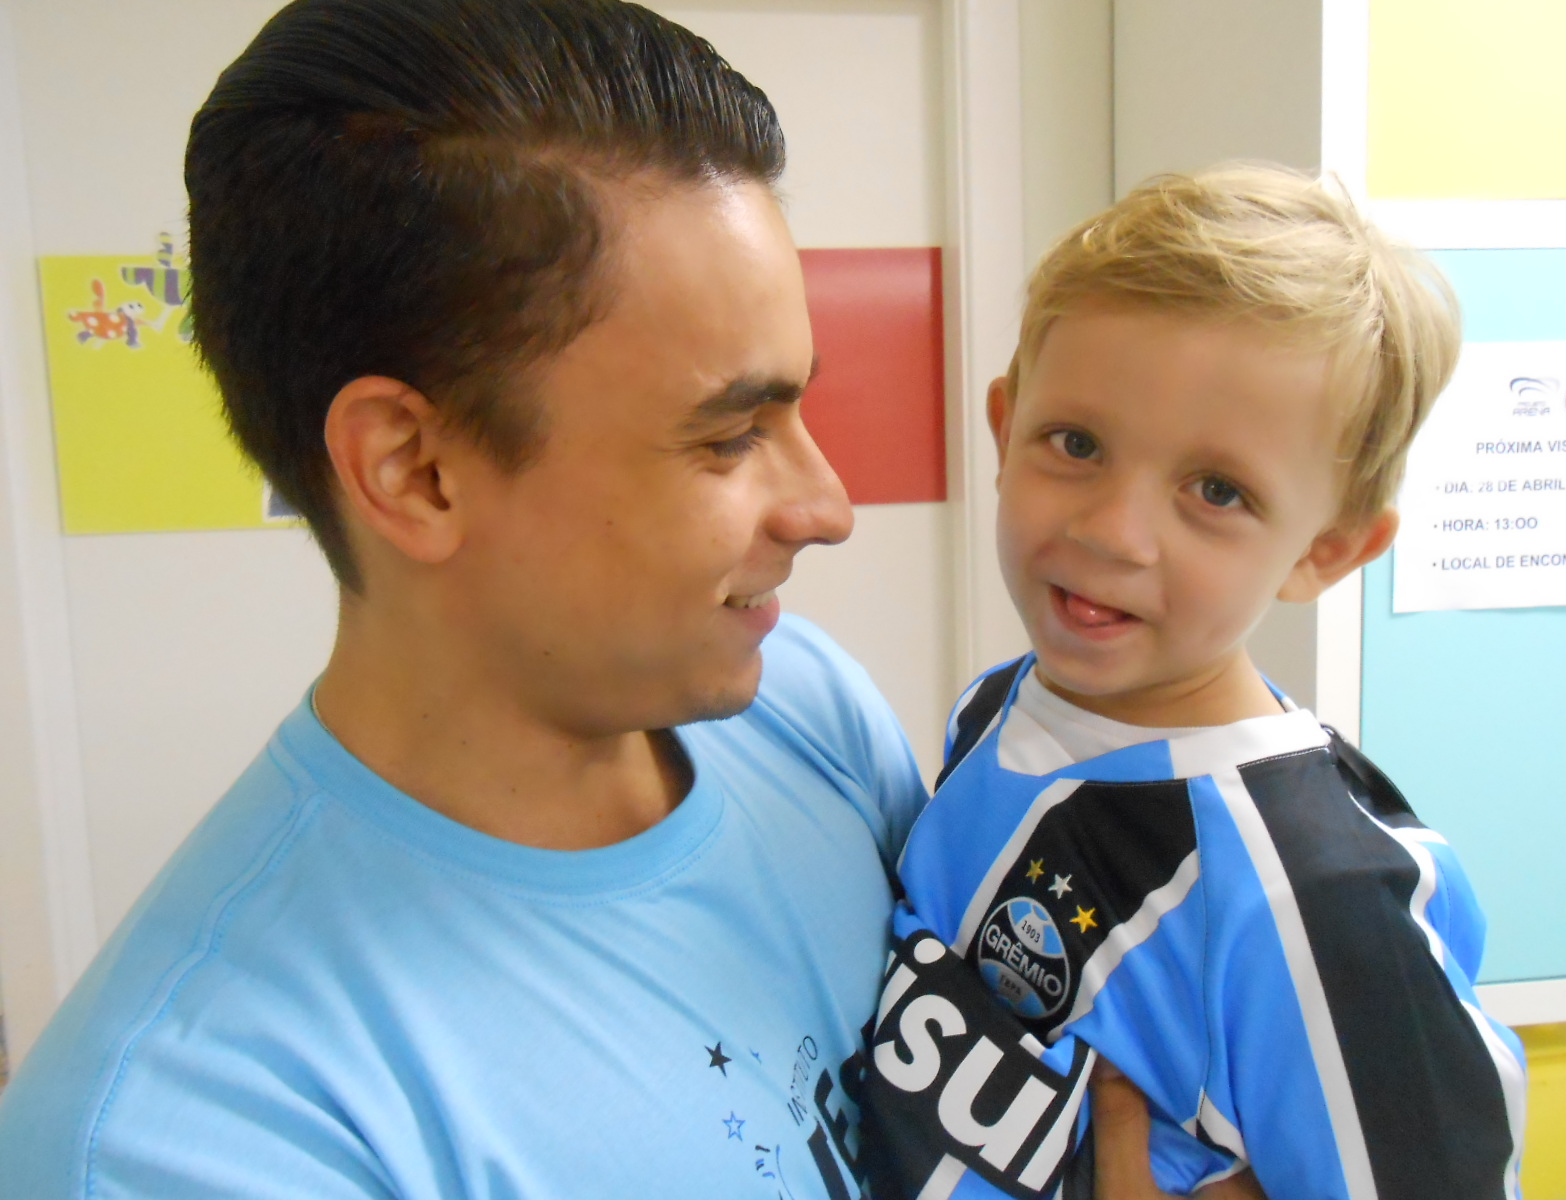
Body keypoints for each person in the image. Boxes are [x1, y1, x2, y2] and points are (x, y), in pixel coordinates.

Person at [0, 2, 931, 1196]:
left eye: (797, 409)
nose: (826, 506)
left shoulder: (807, 712)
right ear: (414, 471)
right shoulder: (186, 1139)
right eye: (728, 438)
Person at [861, 166, 1528, 1200]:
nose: (1111, 532)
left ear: (1329, 551)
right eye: (1074, 443)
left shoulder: (1310, 902)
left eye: (1217, 491)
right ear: (1003, 430)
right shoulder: (994, 707)